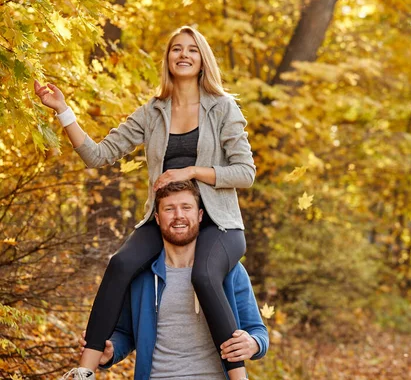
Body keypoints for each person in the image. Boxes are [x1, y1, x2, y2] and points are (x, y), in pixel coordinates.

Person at [34, 26, 256, 380]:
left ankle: (237, 376)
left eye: (192, 50)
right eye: (176, 49)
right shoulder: (153, 112)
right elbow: (98, 155)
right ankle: (84, 372)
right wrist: (63, 111)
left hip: (220, 223)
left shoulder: (222, 108)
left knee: (205, 274)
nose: (183, 55)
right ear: (168, 60)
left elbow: (245, 172)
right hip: (166, 219)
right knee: (121, 263)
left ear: (202, 61)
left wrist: (192, 170)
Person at [74, 181, 268, 380]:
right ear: (157, 218)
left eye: (186, 207)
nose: (179, 216)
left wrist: (254, 344)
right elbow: (126, 332)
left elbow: (257, 330)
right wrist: (111, 351)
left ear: (200, 215)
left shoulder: (230, 271)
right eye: (169, 209)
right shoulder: (142, 276)